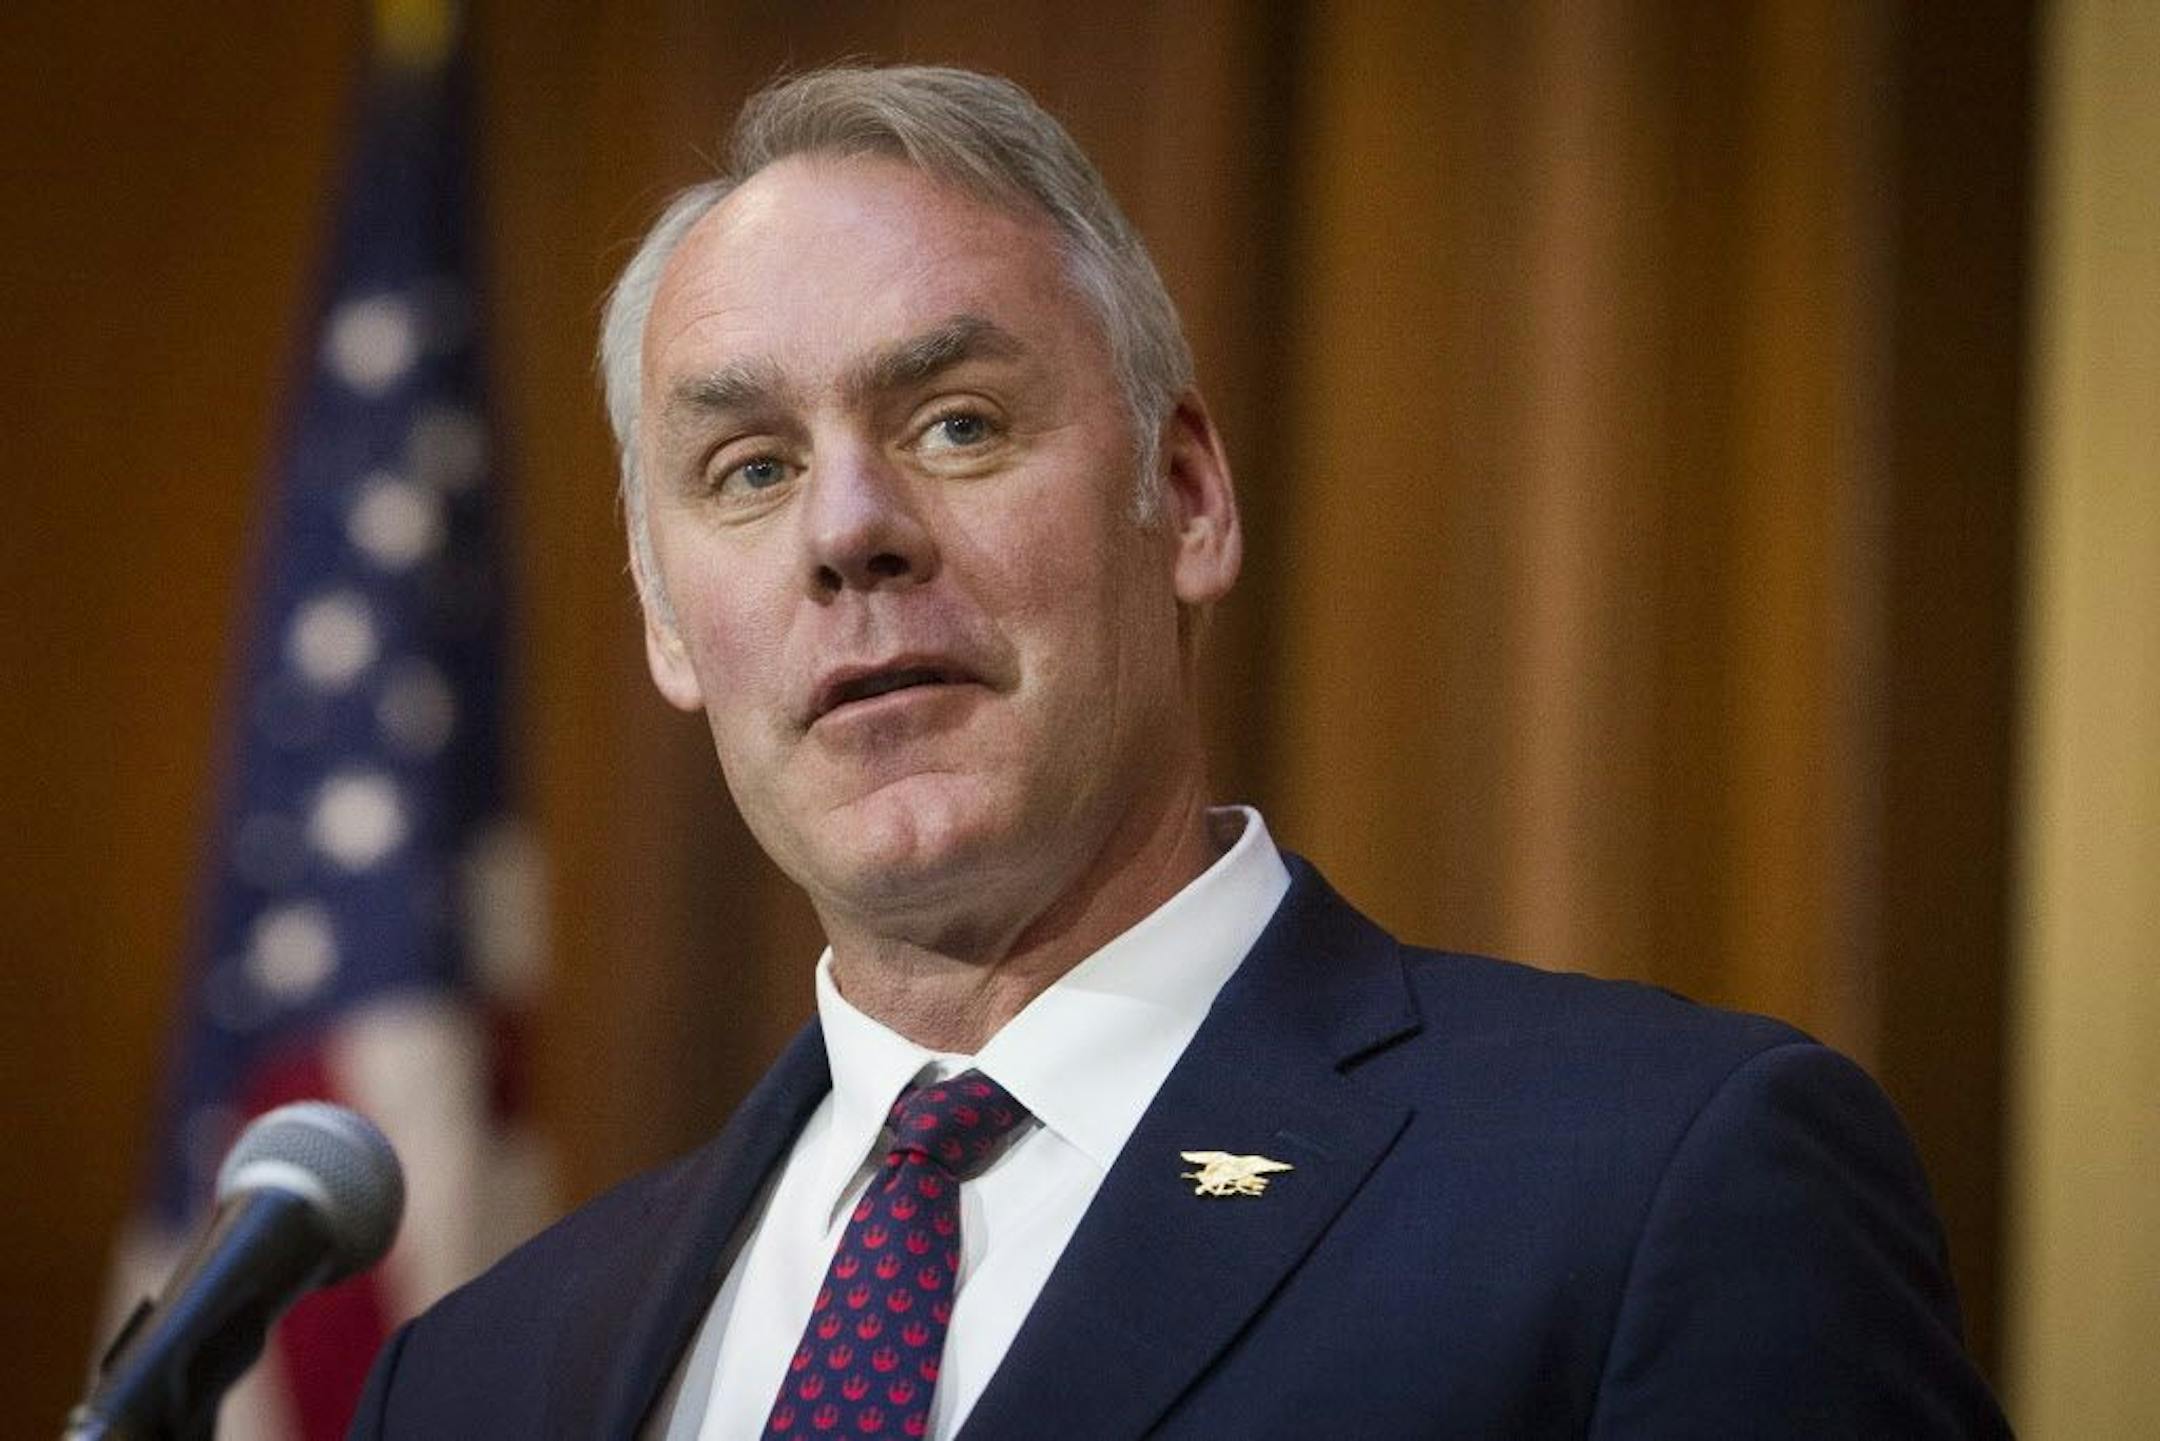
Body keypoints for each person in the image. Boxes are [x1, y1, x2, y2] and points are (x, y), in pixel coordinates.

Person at [349, 65, 2009, 1439]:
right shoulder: (476, 1372)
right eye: (749, 469)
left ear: (1190, 498)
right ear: (663, 624)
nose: (850, 530)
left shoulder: (1667, 1187)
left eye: (958, 425)